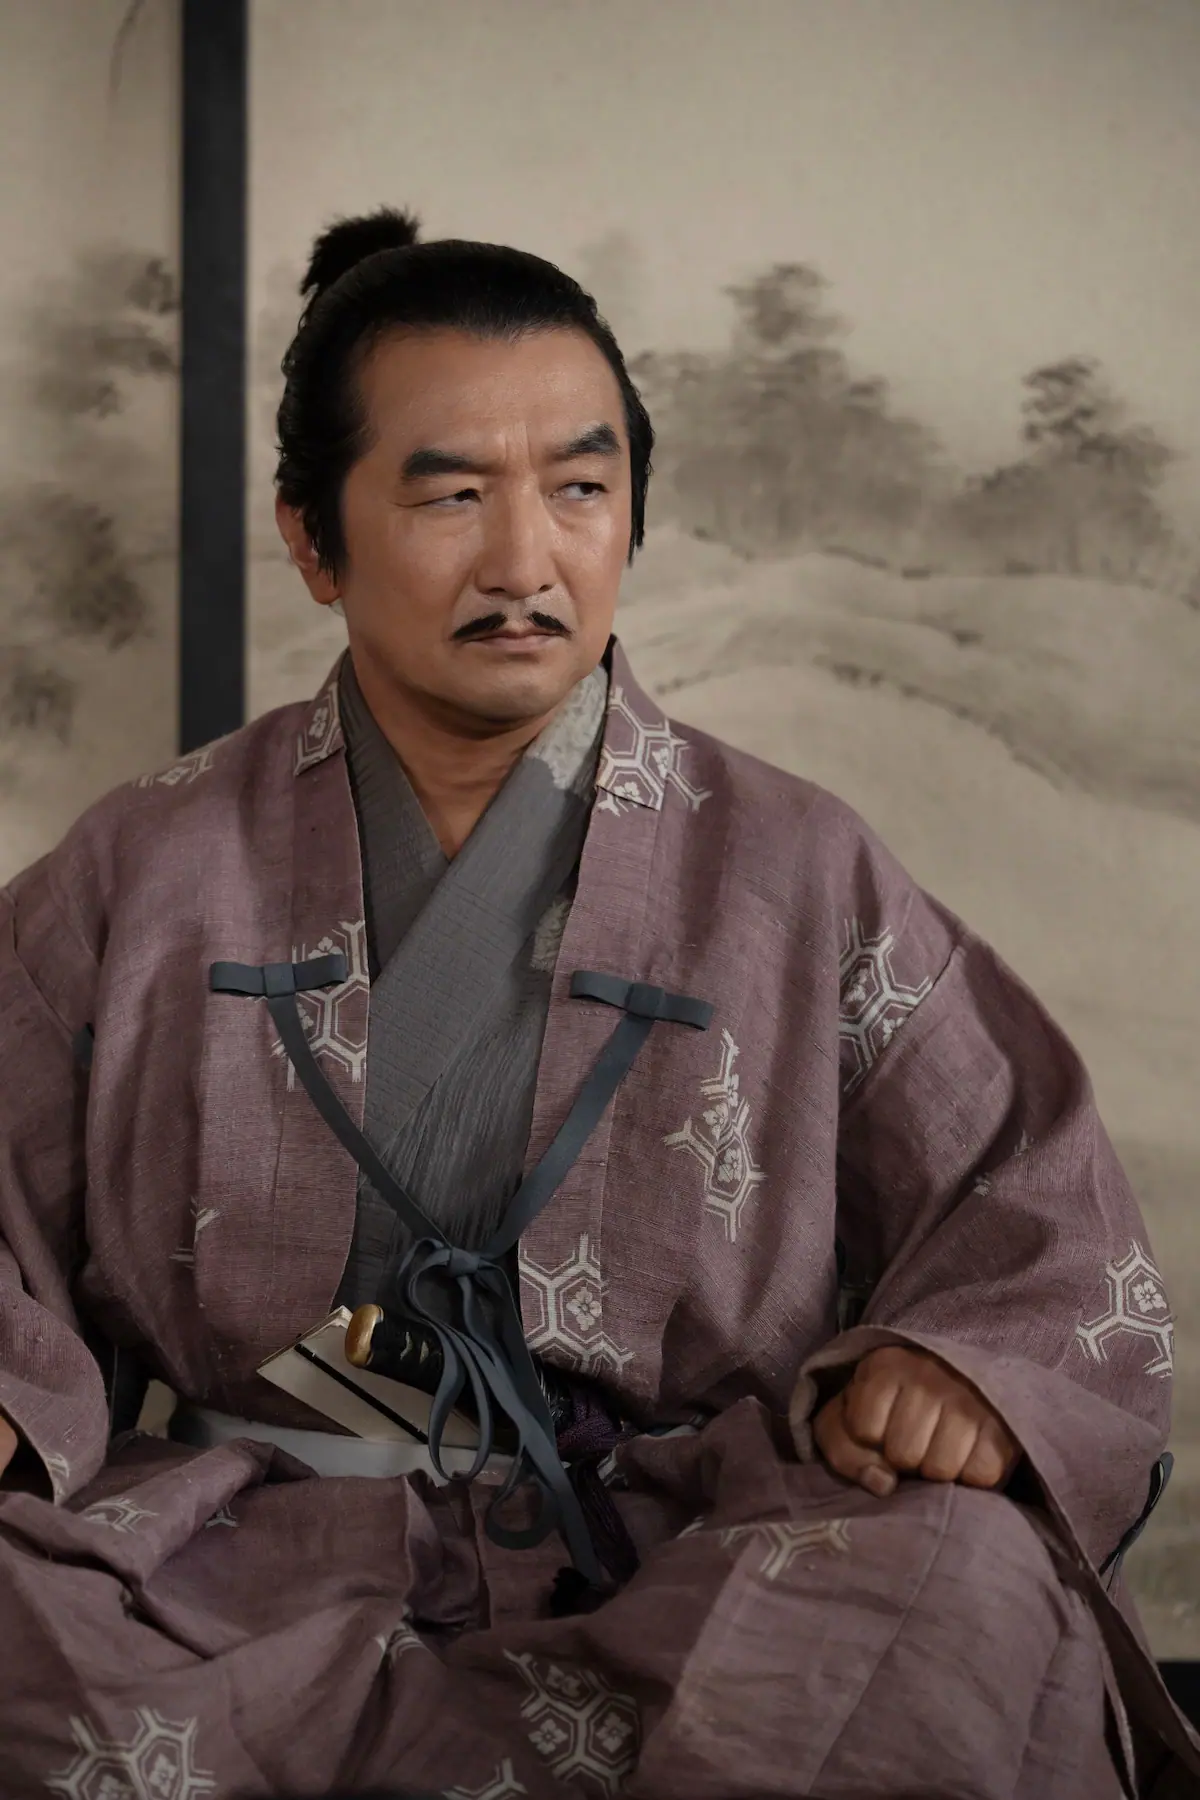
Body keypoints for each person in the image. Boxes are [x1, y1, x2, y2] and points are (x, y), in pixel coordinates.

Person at [0, 206, 1195, 1800]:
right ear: (313, 537)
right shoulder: (145, 863)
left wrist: (966, 1368)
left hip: (694, 1556)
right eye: (450, 496)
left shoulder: (791, 861)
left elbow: (1028, 1206)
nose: (525, 561)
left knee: (964, 1586)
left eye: (579, 487)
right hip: (249, 1561)